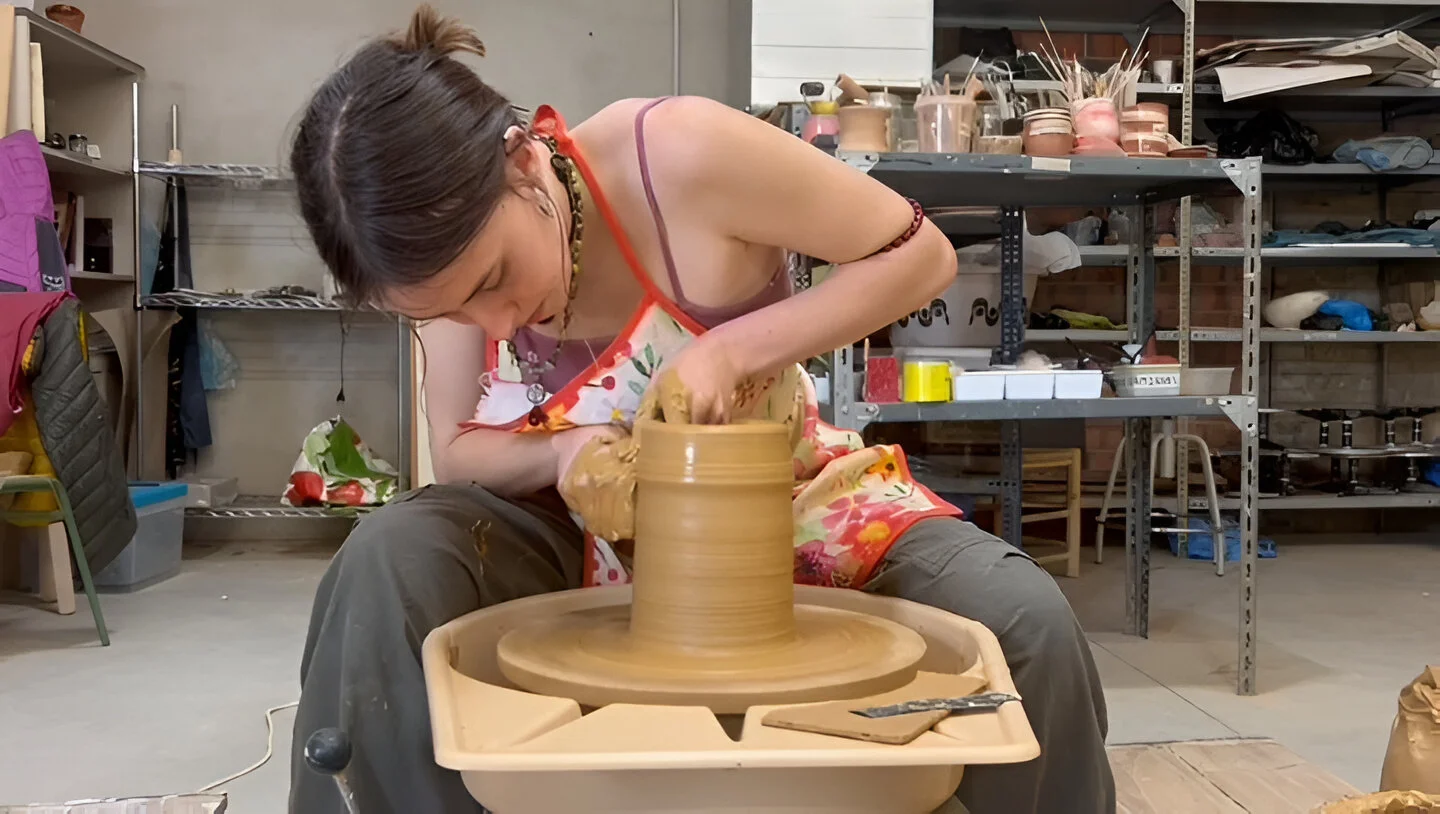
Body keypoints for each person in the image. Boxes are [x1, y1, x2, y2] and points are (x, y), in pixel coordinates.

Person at [286, 7, 1115, 813]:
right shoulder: (432, 259)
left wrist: (732, 350)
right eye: (454, 312)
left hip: (783, 501)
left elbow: (920, 255)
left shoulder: (675, 154)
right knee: (386, 565)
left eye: (494, 280)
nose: (495, 327)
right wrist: (562, 455)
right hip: (575, 526)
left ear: (524, 163)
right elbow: (458, 447)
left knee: (1024, 624)